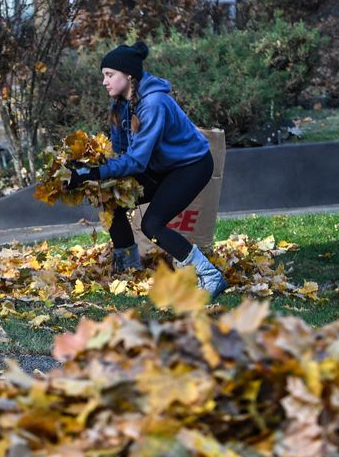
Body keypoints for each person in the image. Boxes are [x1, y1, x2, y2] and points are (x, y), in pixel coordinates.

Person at [69, 41, 227, 299]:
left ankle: (210, 276)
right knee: (114, 202)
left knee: (152, 223)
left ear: (129, 75)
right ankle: (129, 272)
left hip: (191, 166)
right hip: (161, 165)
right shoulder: (120, 103)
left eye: (109, 75)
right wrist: (86, 167)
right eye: (103, 76)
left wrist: (93, 173)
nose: (104, 82)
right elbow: (119, 150)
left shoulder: (154, 104)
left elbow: (136, 161)